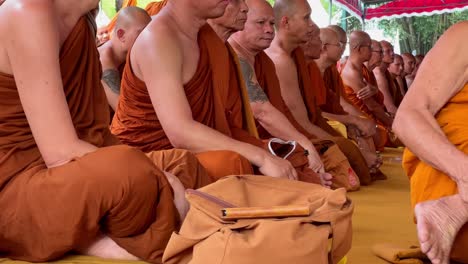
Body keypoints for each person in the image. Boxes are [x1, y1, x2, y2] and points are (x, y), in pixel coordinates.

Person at [0, 0, 212, 263]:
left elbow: (93, 133)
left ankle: (88, 233)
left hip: (74, 171)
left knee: (182, 163)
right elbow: (60, 152)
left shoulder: (84, 18)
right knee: (132, 173)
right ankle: (98, 238)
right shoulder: (28, 10)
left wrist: (156, 173)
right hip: (18, 183)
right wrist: (154, 175)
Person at [110, 0, 305, 182]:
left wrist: (264, 152)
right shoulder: (158, 39)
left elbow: (222, 122)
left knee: (289, 155)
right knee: (233, 164)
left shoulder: (210, 41)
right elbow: (180, 132)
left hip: (197, 148)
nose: (239, 4)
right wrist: (260, 157)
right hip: (147, 155)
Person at [264, 0, 368, 187]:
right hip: (285, 138)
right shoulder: (280, 60)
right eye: (306, 17)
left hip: (304, 131)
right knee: (346, 155)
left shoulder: (296, 57)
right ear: (286, 23)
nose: (312, 25)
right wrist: (330, 143)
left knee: (347, 149)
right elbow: (299, 123)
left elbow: (313, 115)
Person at [393, 21, 468, 264]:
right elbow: (406, 118)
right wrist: (465, 175)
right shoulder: (464, 36)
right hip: (454, 168)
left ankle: (459, 208)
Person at [313, 28, 382, 179]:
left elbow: (341, 103)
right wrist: (353, 120)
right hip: (317, 124)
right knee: (347, 130)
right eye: (340, 44)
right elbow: (311, 113)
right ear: (324, 47)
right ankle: (362, 162)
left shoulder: (330, 71)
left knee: (363, 128)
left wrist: (361, 120)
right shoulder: (308, 70)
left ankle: (367, 164)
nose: (345, 48)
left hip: (328, 119)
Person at [98, 6, 151, 111]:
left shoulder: (127, 56)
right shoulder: (103, 61)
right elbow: (123, 111)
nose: (149, 39)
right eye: (142, 33)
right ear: (121, 35)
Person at [373, 40, 398, 114]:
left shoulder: (386, 72)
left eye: (392, 50)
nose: (392, 53)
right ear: (380, 53)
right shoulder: (378, 74)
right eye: (388, 51)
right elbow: (389, 107)